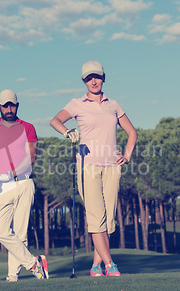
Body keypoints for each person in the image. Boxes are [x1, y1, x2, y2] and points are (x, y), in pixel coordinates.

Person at [50, 60, 137, 277]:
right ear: (84, 81)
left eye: (97, 76)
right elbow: (55, 121)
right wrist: (67, 132)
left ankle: (96, 266)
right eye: (89, 78)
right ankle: (110, 264)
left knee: (107, 219)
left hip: (112, 167)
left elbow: (132, 132)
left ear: (103, 78)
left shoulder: (113, 105)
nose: (93, 81)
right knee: (96, 215)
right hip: (87, 166)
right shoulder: (76, 104)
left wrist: (126, 155)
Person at [0, 89, 49, 282]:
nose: (9, 109)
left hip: (24, 182)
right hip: (2, 187)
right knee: (0, 231)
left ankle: (13, 276)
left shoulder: (27, 127)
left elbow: (31, 157)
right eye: (5, 105)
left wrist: (8, 175)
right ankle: (35, 264)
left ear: (17, 105)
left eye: (12, 105)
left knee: (20, 232)